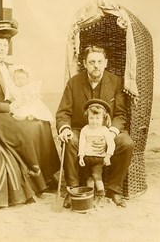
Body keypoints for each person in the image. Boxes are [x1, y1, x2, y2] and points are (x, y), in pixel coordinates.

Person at [0, 19, 60, 208]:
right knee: (27, 131)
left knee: (41, 124)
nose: (2, 48)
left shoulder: (9, 67)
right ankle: (33, 174)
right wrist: (9, 108)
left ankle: (45, 177)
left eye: (5, 45)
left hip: (11, 109)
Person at [56, 45, 134, 208]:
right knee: (70, 141)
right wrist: (65, 128)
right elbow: (63, 112)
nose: (96, 65)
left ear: (105, 63)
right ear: (84, 63)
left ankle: (114, 189)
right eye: (92, 62)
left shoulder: (115, 82)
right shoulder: (74, 82)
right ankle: (74, 189)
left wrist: (111, 132)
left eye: (99, 61)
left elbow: (120, 114)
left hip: (107, 130)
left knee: (126, 143)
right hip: (81, 129)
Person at [78, 99, 115, 203]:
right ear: (87, 118)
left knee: (96, 176)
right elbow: (82, 143)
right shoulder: (85, 129)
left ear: (103, 118)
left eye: (97, 118)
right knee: (88, 178)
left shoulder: (104, 130)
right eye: (91, 118)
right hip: (87, 158)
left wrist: (108, 156)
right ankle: (91, 193)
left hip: (98, 159)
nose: (94, 121)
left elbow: (111, 144)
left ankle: (101, 194)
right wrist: (81, 156)